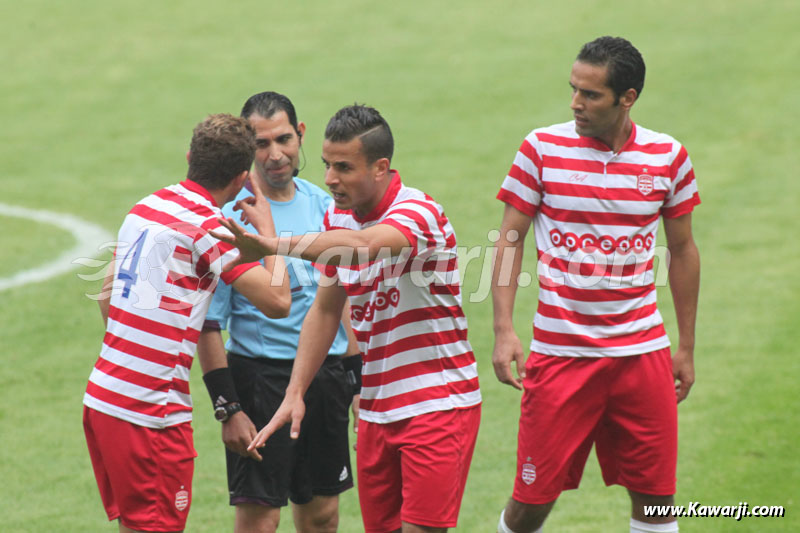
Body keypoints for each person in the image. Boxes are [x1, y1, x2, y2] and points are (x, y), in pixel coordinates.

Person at [211, 104, 482, 533]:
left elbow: (362, 245)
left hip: (436, 403)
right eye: (326, 165)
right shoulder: (337, 214)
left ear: (381, 168)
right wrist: (295, 392)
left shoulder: (419, 214)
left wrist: (273, 245)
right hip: (377, 410)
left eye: (343, 167)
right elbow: (325, 308)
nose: (330, 178)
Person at [491, 36, 701, 533]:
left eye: (590, 95)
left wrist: (686, 346)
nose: (575, 103)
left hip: (641, 355)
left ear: (627, 97)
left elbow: (684, 251)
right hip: (560, 357)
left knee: (656, 501)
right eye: (573, 89)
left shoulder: (667, 157)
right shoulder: (541, 148)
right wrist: (504, 328)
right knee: (530, 503)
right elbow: (507, 240)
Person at [83, 113, 291, 533]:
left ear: (189, 157)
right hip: (150, 413)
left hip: (104, 399)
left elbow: (106, 297)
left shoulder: (145, 207)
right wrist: (269, 234)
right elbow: (278, 301)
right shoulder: (210, 228)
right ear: (239, 179)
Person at [196, 92, 360, 533]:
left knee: (323, 515)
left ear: (300, 133)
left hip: (325, 380)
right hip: (260, 381)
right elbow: (208, 324)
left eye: (284, 139)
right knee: (260, 520)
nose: (275, 155)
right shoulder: (229, 220)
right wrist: (228, 408)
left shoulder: (325, 206)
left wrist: (359, 381)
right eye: (261, 144)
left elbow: (339, 299)